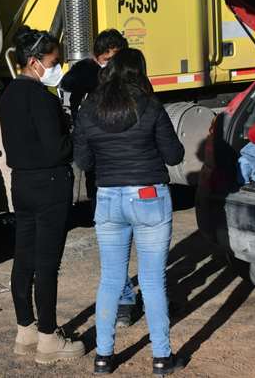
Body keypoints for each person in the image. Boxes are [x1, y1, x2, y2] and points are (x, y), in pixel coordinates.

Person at [73, 48, 185, 375]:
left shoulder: (90, 109)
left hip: (108, 198)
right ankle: (162, 358)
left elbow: (83, 161)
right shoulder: (150, 106)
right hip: (149, 196)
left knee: (110, 279)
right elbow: (174, 155)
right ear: (140, 72)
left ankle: (104, 357)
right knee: (152, 281)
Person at [0, 25, 84, 364]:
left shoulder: (8, 95)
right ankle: (49, 338)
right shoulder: (41, 98)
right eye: (53, 61)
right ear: (34, 62)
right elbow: (56, 148)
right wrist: (75, 134)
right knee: (47, 264)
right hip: (49, 184)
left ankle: (26, 330)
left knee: (24, 257)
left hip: (21, 183)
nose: (57, 67)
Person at [60, 29, 138, 328]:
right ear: (101, 56)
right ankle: (123, 302)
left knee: (122, 242)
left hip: (119, 174)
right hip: (108, 175)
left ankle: (123, 302)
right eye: (111, 59)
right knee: (116, 243)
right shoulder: (83, 78)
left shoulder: (126, 81)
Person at [60, 28, 129, 118]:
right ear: (96, 58)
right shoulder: (85, 79)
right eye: (107, 60)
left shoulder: (131, 78)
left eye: (114, 59)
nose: (111, 64)